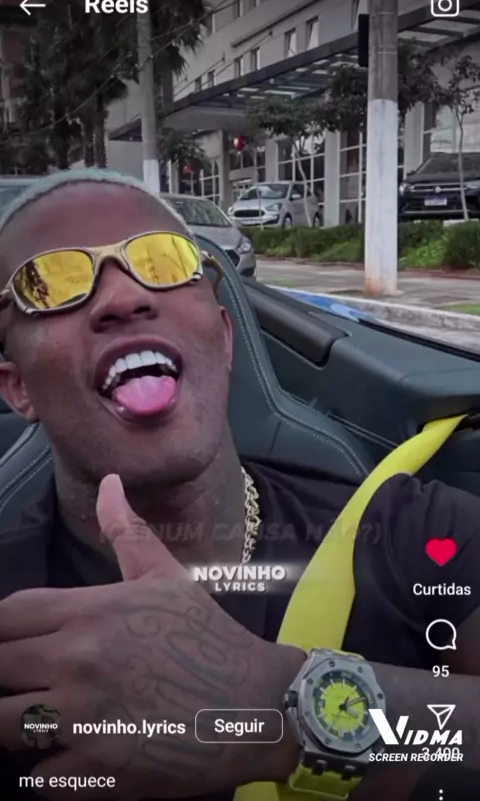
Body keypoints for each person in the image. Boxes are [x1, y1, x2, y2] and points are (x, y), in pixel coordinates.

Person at [0, 168, 478, 801]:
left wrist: (280, 709)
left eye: (164, 260)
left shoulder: (415, 534)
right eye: (52, 281)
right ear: (18, 388)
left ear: (224, 338)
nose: (123, 297)